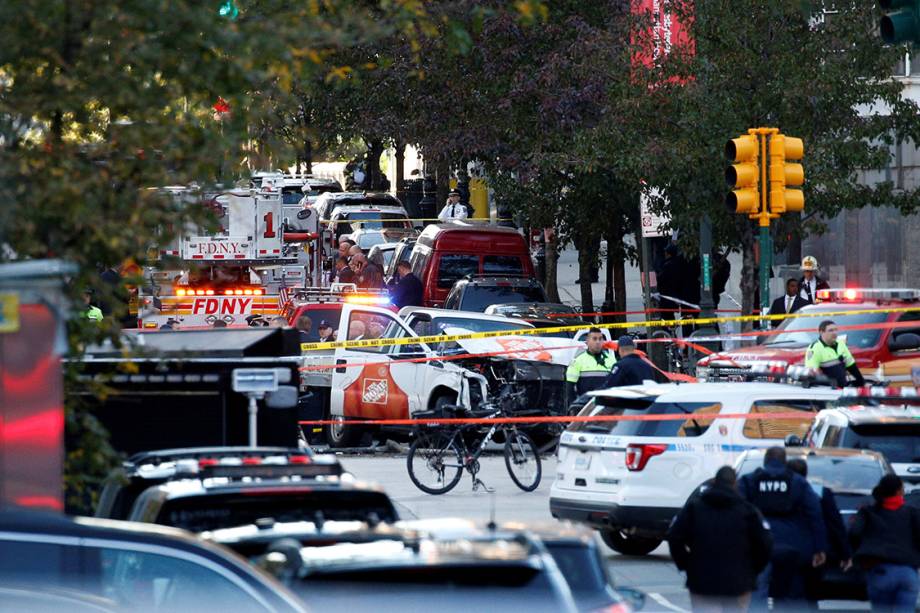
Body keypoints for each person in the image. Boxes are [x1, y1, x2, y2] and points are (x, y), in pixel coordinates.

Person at [667, 466, 773, 613]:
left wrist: (686, 564)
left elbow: (674, 536)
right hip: (739, 581)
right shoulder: (747, 511)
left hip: (702, 580)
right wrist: (753, 570)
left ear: (715, 481)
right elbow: (765, 543)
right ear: (735, 483)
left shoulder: (695, 508)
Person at [738, 447, 827, 610]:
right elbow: (815, 514)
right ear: (785, 462)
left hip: (760, 545)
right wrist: (819, 548)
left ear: (765, 461)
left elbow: (736, 511)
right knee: (790, 594)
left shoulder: (749, 480)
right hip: (792, 546)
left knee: (758, 592)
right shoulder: (797, 482)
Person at [850, 474, 920, 612]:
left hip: (879, 571)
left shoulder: (868, 512)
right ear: (900, 491)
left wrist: (858, 554)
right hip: (908, 572)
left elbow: (854, 534)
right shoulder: (912, 513)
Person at [787, 459, 852, 607]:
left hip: (785, 548)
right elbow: (835, 524)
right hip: (813, 551)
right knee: (810, 596)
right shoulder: (820, 491)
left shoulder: (779, 491)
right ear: (806, 473)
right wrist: (845, 553)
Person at [804, 320, 866, 387]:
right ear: (821, 332)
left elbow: (851, 365)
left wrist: (861, 382)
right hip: (827, 390)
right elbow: (811, 373)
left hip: (842, 387)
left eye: (836, 330)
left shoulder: (840, 343)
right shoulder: (814, 348)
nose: (834, 333)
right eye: (830, 330)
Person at [565, 327, 617, 399]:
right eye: (594, 339)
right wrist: (574, 406)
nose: (598, 342)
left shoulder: (611, 360)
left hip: (604, 405)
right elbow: (570, 388)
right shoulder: (578, 360)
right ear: (587, 341)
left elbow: (616, 386)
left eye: (600, 339)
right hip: (585, 406)